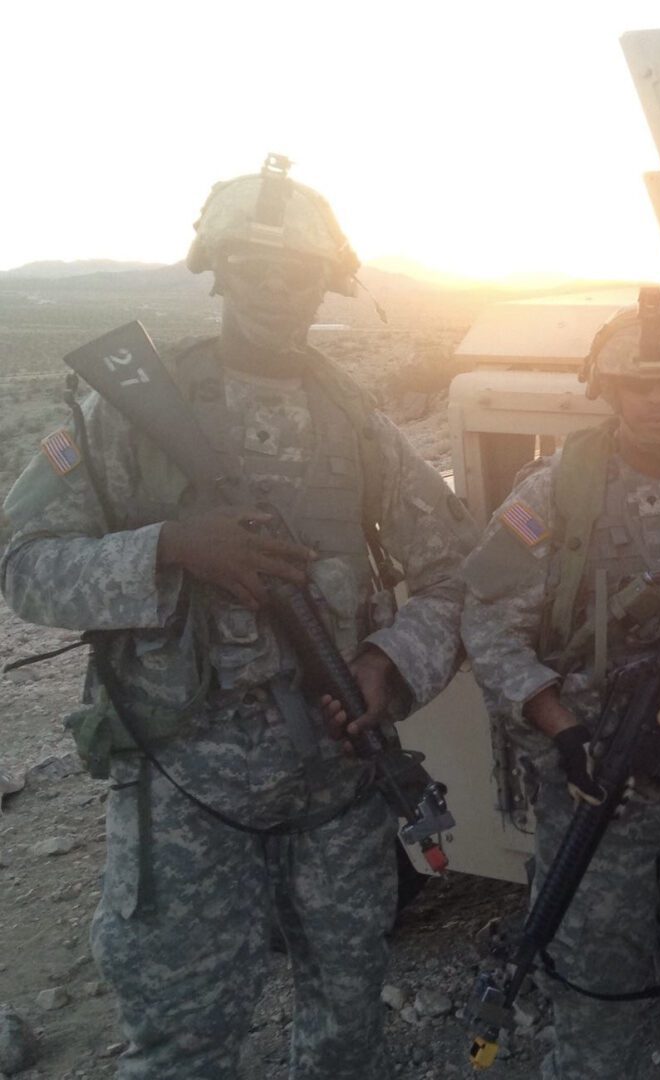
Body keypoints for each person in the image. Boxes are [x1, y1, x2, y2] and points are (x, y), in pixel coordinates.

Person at [0, 155, 478, 1079]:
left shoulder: (356, 420)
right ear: (217, 269)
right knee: (185, 1045)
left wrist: (388, 663)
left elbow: (458, 571)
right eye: (253, 268)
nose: (275, 291)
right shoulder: (125, 410)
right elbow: (21, 567)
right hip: (187, 788)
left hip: (336, 788)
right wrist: (170, 547)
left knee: (345, 1033)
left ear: (325, 285)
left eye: (296, 273)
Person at [459, 288, 660, 1080]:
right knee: (597, 978)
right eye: (641, 384)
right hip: (594, 779)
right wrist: (559, 724)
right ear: (609, 389)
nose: (658, 401)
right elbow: (485, 620)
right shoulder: (554, 493)